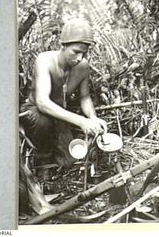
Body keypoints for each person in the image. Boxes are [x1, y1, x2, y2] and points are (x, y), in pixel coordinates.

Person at [20, 18, 107, 168]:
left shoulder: (83, 67)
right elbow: (42, 103)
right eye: (76, 52)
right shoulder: (45, 60)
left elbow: (84, 97)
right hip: (36, 113)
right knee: (42, 122)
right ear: (63, 45)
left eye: (84, 54)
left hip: (60, 115)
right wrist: (81, 121)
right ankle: (42, 160)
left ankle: (54, 151)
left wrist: (93, 118)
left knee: (70, 161)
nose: (80, 58)